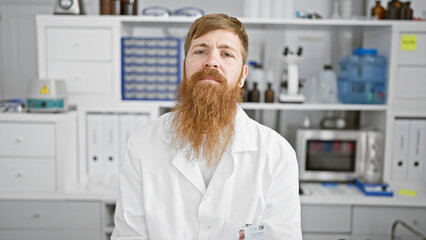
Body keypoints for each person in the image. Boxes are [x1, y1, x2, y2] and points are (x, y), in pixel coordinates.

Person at [111, 13, 302, 240]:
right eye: (200, 51)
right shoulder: (141, 146)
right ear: (184, 68)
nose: (212, 61)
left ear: (242, 75)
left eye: (226, 54)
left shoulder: (277, 155)